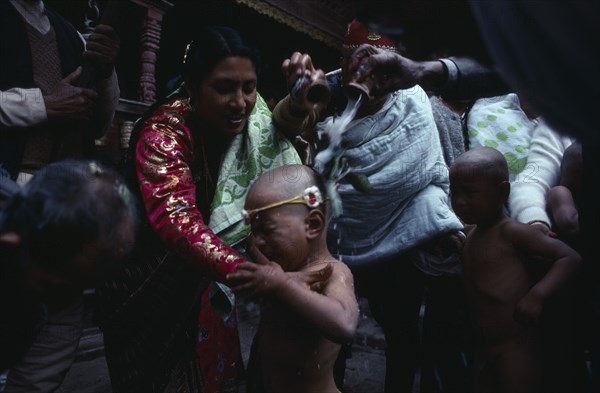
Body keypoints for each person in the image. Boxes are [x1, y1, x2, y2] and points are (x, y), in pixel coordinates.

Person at [96, 26, 301, 392]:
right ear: (191, 87)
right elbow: (177, 220)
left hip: (205, 278)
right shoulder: (163, 134)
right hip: (149, 280)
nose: (240, 102)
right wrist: (246, 271)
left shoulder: (251, 120)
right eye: (224, 88)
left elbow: (278, 136)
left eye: (249, 88)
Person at [273, 19, 467, 393]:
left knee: (402, 328)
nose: (365, 75)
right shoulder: (324, 91)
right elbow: (287, 124)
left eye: (376, 65)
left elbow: (425, 172)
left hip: (399, 237)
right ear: (342, 62)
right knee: (332, 330)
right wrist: (296, 99)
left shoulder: (412, 99)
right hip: (340, 237)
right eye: (355, 62)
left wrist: (444, 219)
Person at [449, 146, 581, 392]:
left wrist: (537, 295)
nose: (460, 201)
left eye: (470, 193)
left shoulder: (512, 232)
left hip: (515, 346)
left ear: (502, 192)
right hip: (483, 345)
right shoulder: (471, 233)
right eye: (454, 192)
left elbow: (569, 257)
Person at [0, 160, 136, 391]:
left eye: (80, 286)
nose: (64, 300)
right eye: (55, 288)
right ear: (13, 243)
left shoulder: (62, 293)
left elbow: (31, 383)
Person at [226, 164, 359, 393]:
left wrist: (283, 284)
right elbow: (252, 247)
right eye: (254, 230)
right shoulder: (277, 266)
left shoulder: (332, 272)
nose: (257, 242)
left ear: (313, 225)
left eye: (265, 230)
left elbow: (345, 325)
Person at [0, 0, 120, 184]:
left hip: (68, 191)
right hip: (12, 187)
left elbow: (99, 126)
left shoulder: (72, 35)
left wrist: (106, 72)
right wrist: (43, 105)